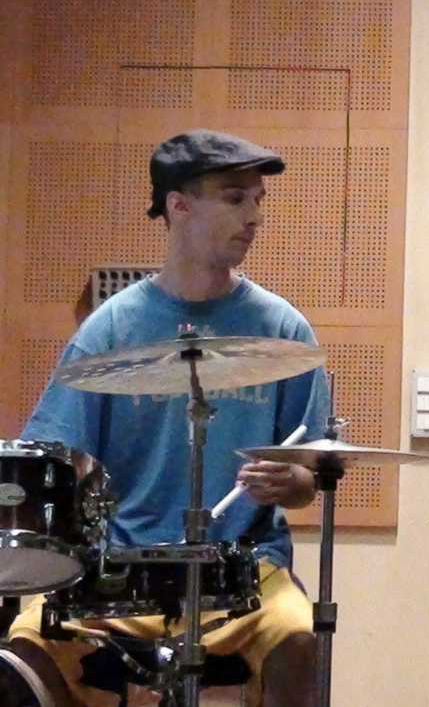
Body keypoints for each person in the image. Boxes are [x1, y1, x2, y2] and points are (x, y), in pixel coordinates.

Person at [1, 130, 330, 707]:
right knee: (25, 646)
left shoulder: (283, 331)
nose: (254, 216)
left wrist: (292, 482)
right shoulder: (110, 330)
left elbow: (309, 481)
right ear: (179, 206)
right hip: (119, 571)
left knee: (299, 638)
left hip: (245, 574)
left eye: (258, 200)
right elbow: (52, 461)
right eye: (235, 198)